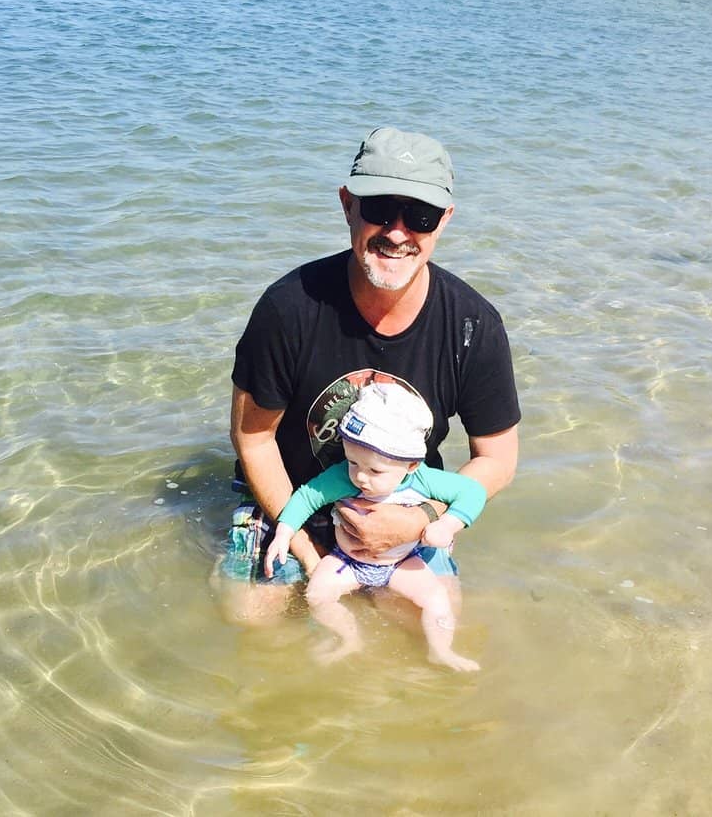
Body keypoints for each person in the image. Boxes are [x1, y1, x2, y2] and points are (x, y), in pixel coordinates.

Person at [216, 126, 520, 623]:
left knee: (429, 627)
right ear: (347, 204)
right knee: (256, 621)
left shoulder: (473, 325)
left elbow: (498, 458)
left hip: (402, 503)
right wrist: (311, 557)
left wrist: (418, 520)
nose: (398, 232)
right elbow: (253, 441)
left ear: (444, 220)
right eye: (380, 207)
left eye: (419, 216)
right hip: (291, 497)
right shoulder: (287, 309)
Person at [264, 382, 486, 670]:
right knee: (317, 594)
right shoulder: (343, 476)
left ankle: (441, 651)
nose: (360, 477)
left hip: (401, 562)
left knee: (437, 600)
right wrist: (284, 532)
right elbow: (307, 496)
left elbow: (472, 492)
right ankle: (348, 637)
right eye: (353, 461)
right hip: (347, 560)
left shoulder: (424, 480)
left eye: (374, 470)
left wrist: (448, 524)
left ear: (411, 465)